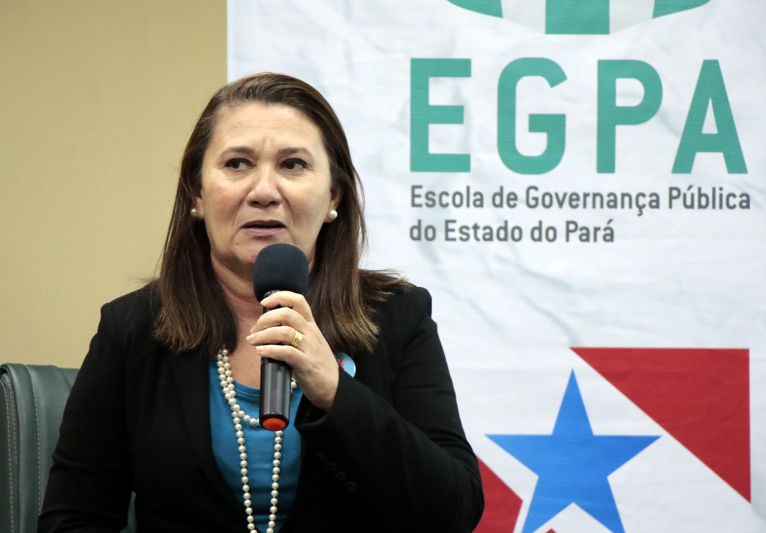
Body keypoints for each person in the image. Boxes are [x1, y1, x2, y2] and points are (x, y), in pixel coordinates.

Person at [39, 73, 484, 532]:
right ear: (196, 193)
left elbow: (452, 511)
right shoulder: (132, 326)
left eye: (292, 165)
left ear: (333, 196)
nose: (265, 190)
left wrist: (334, 391)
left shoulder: (397, 316)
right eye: (237, 164)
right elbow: (73, 518)